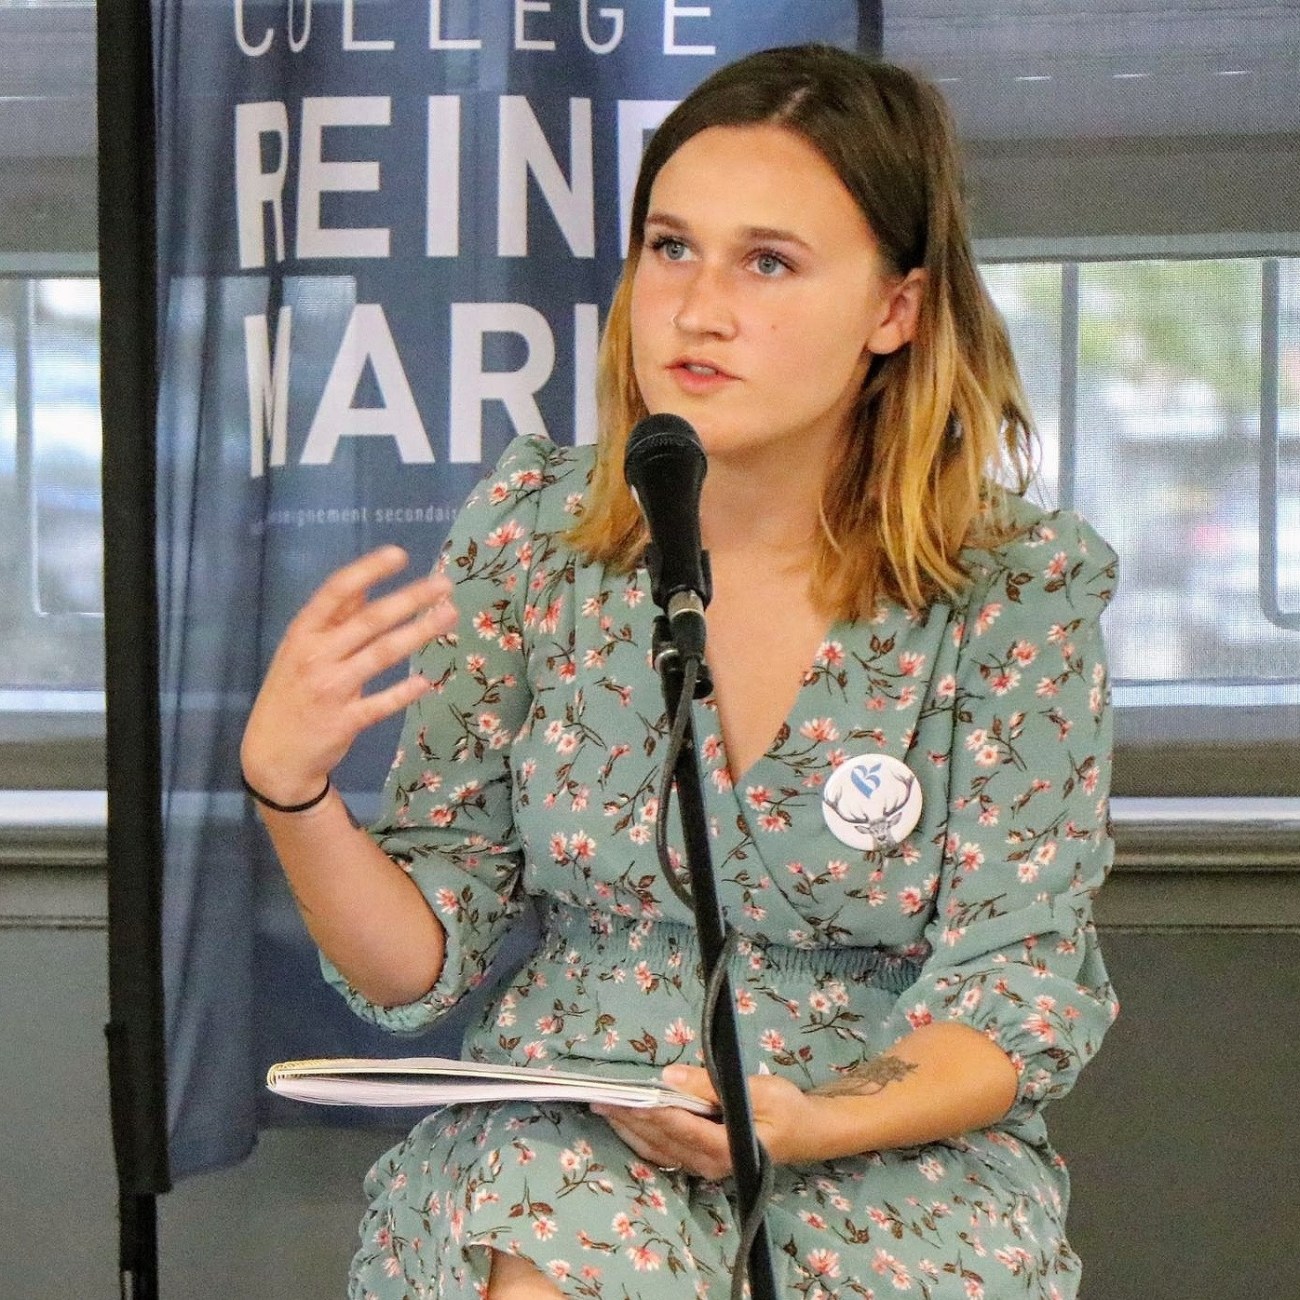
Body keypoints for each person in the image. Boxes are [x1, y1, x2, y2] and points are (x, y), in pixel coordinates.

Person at [241, 42, 1118, 1300]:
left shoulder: (1013, 591)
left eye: (768, 261)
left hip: (879, 1143)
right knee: (552, 1218)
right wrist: (291, 789)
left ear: (896, 309)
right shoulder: (532, 536)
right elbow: (416, 960)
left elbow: (1014, 990)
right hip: (581, 1123)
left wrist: (806, 1119)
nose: (698, 308)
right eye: (670, 247)